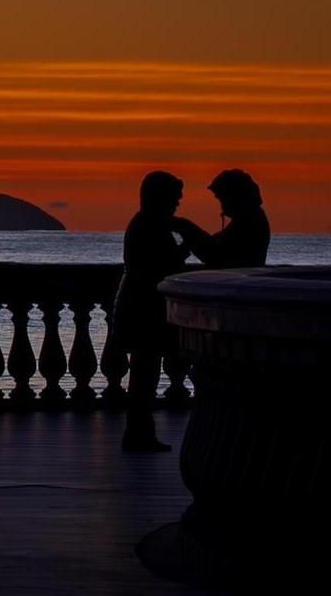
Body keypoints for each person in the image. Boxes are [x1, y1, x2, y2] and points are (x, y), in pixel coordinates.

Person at [112, 171, 190, 452]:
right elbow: (160, 264)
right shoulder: (149, 225)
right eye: (174, 198)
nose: (177, 203)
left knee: (145, 373)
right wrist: (186, 248)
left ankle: (140, 433)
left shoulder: (145, 223)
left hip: (139, 305)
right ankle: (138, 434)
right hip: (143, 308)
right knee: (144, 374)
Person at [174, 169, 270, 268]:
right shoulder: (246, 219)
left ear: (235, 196)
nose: (222, 205)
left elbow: (215, 256)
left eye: (222, 198)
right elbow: (212, 244)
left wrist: (185, 228)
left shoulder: (250, 222)